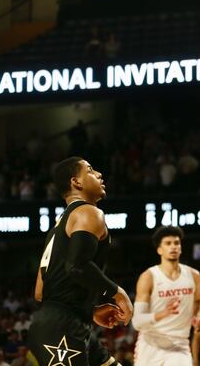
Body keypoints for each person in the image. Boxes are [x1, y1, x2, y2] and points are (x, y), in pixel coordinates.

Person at [28, 157, 133, 366]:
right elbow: (77, 266)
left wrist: (90, 311)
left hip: (61, 323)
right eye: (91, 171)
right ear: (76, 182)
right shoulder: (88, 211)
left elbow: (40, 292)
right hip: (62, 327)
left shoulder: (57, 228)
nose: (99, 174)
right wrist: (118, 293)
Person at [132, 226, 200, 365]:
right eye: (168, 243)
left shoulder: (194, 275)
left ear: (181, 248)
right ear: (159, 250)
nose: (173, 247)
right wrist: (164, 313)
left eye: (176, 243)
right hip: (150, 343)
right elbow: (137, 321)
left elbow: (198, 301)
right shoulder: (148, 277)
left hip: (179, 344)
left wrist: (198, 318)